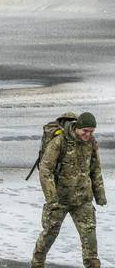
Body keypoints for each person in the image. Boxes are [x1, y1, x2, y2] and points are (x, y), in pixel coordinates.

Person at [32, 112, 106, 268]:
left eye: (91, 131)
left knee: (90, 237)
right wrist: (52, 199)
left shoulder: (91, 143)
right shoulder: (59, 142)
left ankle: (93, 265)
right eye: (85, 131)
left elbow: (95, 169)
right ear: (77, 127)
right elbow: (45, 170)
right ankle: (37, 263)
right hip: (60, 199)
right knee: (49, 234)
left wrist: (100, 195)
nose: (88, 134)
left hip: (83, 200)